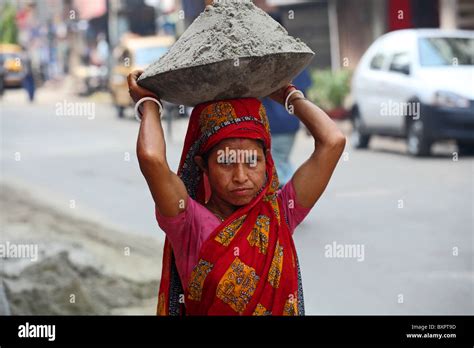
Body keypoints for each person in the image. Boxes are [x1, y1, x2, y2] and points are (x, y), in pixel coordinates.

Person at [128, 70, 346, 315]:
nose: (241, 176)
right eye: (226, 162)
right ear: (203, 166)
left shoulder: (281, 212)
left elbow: (333, 141)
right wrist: (148, 103)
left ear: (267, 162)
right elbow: (151, 158)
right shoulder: (187, 223)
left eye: (252, 161)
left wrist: (289, 94)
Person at [262, 69, 312, 187]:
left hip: (270, 123)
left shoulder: (262, 63)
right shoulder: (297, 63)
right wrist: (308, 122)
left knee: (276, 165)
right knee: (280, 160)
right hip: (290, 123)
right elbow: (302, 95)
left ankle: (286, 193)